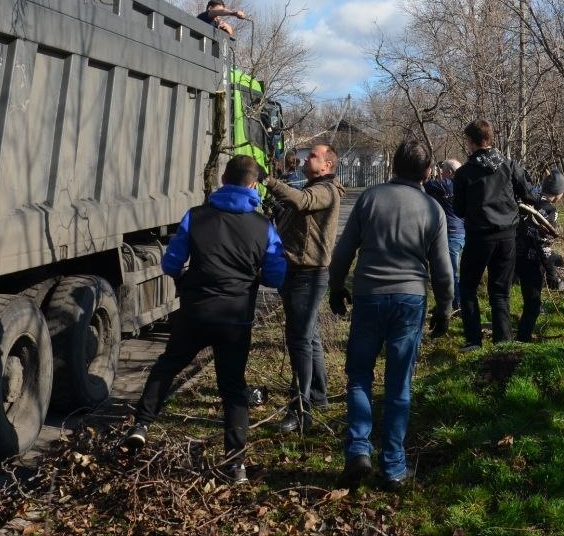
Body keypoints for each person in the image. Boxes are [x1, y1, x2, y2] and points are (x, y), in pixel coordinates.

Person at [124, 155, 286, 484]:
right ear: (253, 185)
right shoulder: (263, 227)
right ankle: (236, 463)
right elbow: (276, 276)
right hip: (235, 319)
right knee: (233, 388)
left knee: (168, 365)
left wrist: (187, 277)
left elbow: (171, 263)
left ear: (223, 179)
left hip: (195, 312)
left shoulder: (195, 217)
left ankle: (141, 425)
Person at [329, 140, 453, 492]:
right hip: (410, 300)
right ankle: (394, 467)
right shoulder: (433, 209)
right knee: (399, 384)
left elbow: (344, 250)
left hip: (369, 296)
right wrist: (444, 309)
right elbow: (443, 269)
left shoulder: (370, 198)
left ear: (393, 167)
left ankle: (357, 449)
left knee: (358, 376)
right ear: (428, 173)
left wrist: (336, 288)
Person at [262, 144, 345, 433]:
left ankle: (300, 411)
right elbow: (295, 211)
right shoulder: (314, 186)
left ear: (327, 165)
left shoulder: (326, 190)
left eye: (313, 155)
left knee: (299, 342)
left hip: (307, 276)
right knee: (310, 339)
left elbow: (301, 201)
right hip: (296, 273)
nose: (307, 157)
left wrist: (269, 181)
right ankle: (318, 398)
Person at [452, 120, 540, 347]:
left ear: (471, 142)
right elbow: (530, 196)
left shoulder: (464, 173)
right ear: (491, 139)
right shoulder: (509, 166)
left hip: (479, 238)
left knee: (468, 288)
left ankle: (473, 341)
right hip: (508, 237)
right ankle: (503, 344)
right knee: (500, 292)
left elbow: (458, 210)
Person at [515, 168, 564, 342]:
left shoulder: (530, 200)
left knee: (525, 297)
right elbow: (542, 243)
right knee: (533, 305)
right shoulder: (550, 210)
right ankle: (523, 339)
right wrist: (551, 272)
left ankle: (518, 332)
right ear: (559, 193)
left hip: (517, 256)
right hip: (532, 261)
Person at [423, 159, 465, 312]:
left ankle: (456, 305)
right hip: (460, 233)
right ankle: (448, 303)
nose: (441, 172)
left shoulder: (446, 185)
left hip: (451, 234)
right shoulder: (464, 186)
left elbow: (425, 184)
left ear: (451, 172)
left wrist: (430, 170)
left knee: (451, 272)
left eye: (444, 170)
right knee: (451, 271)